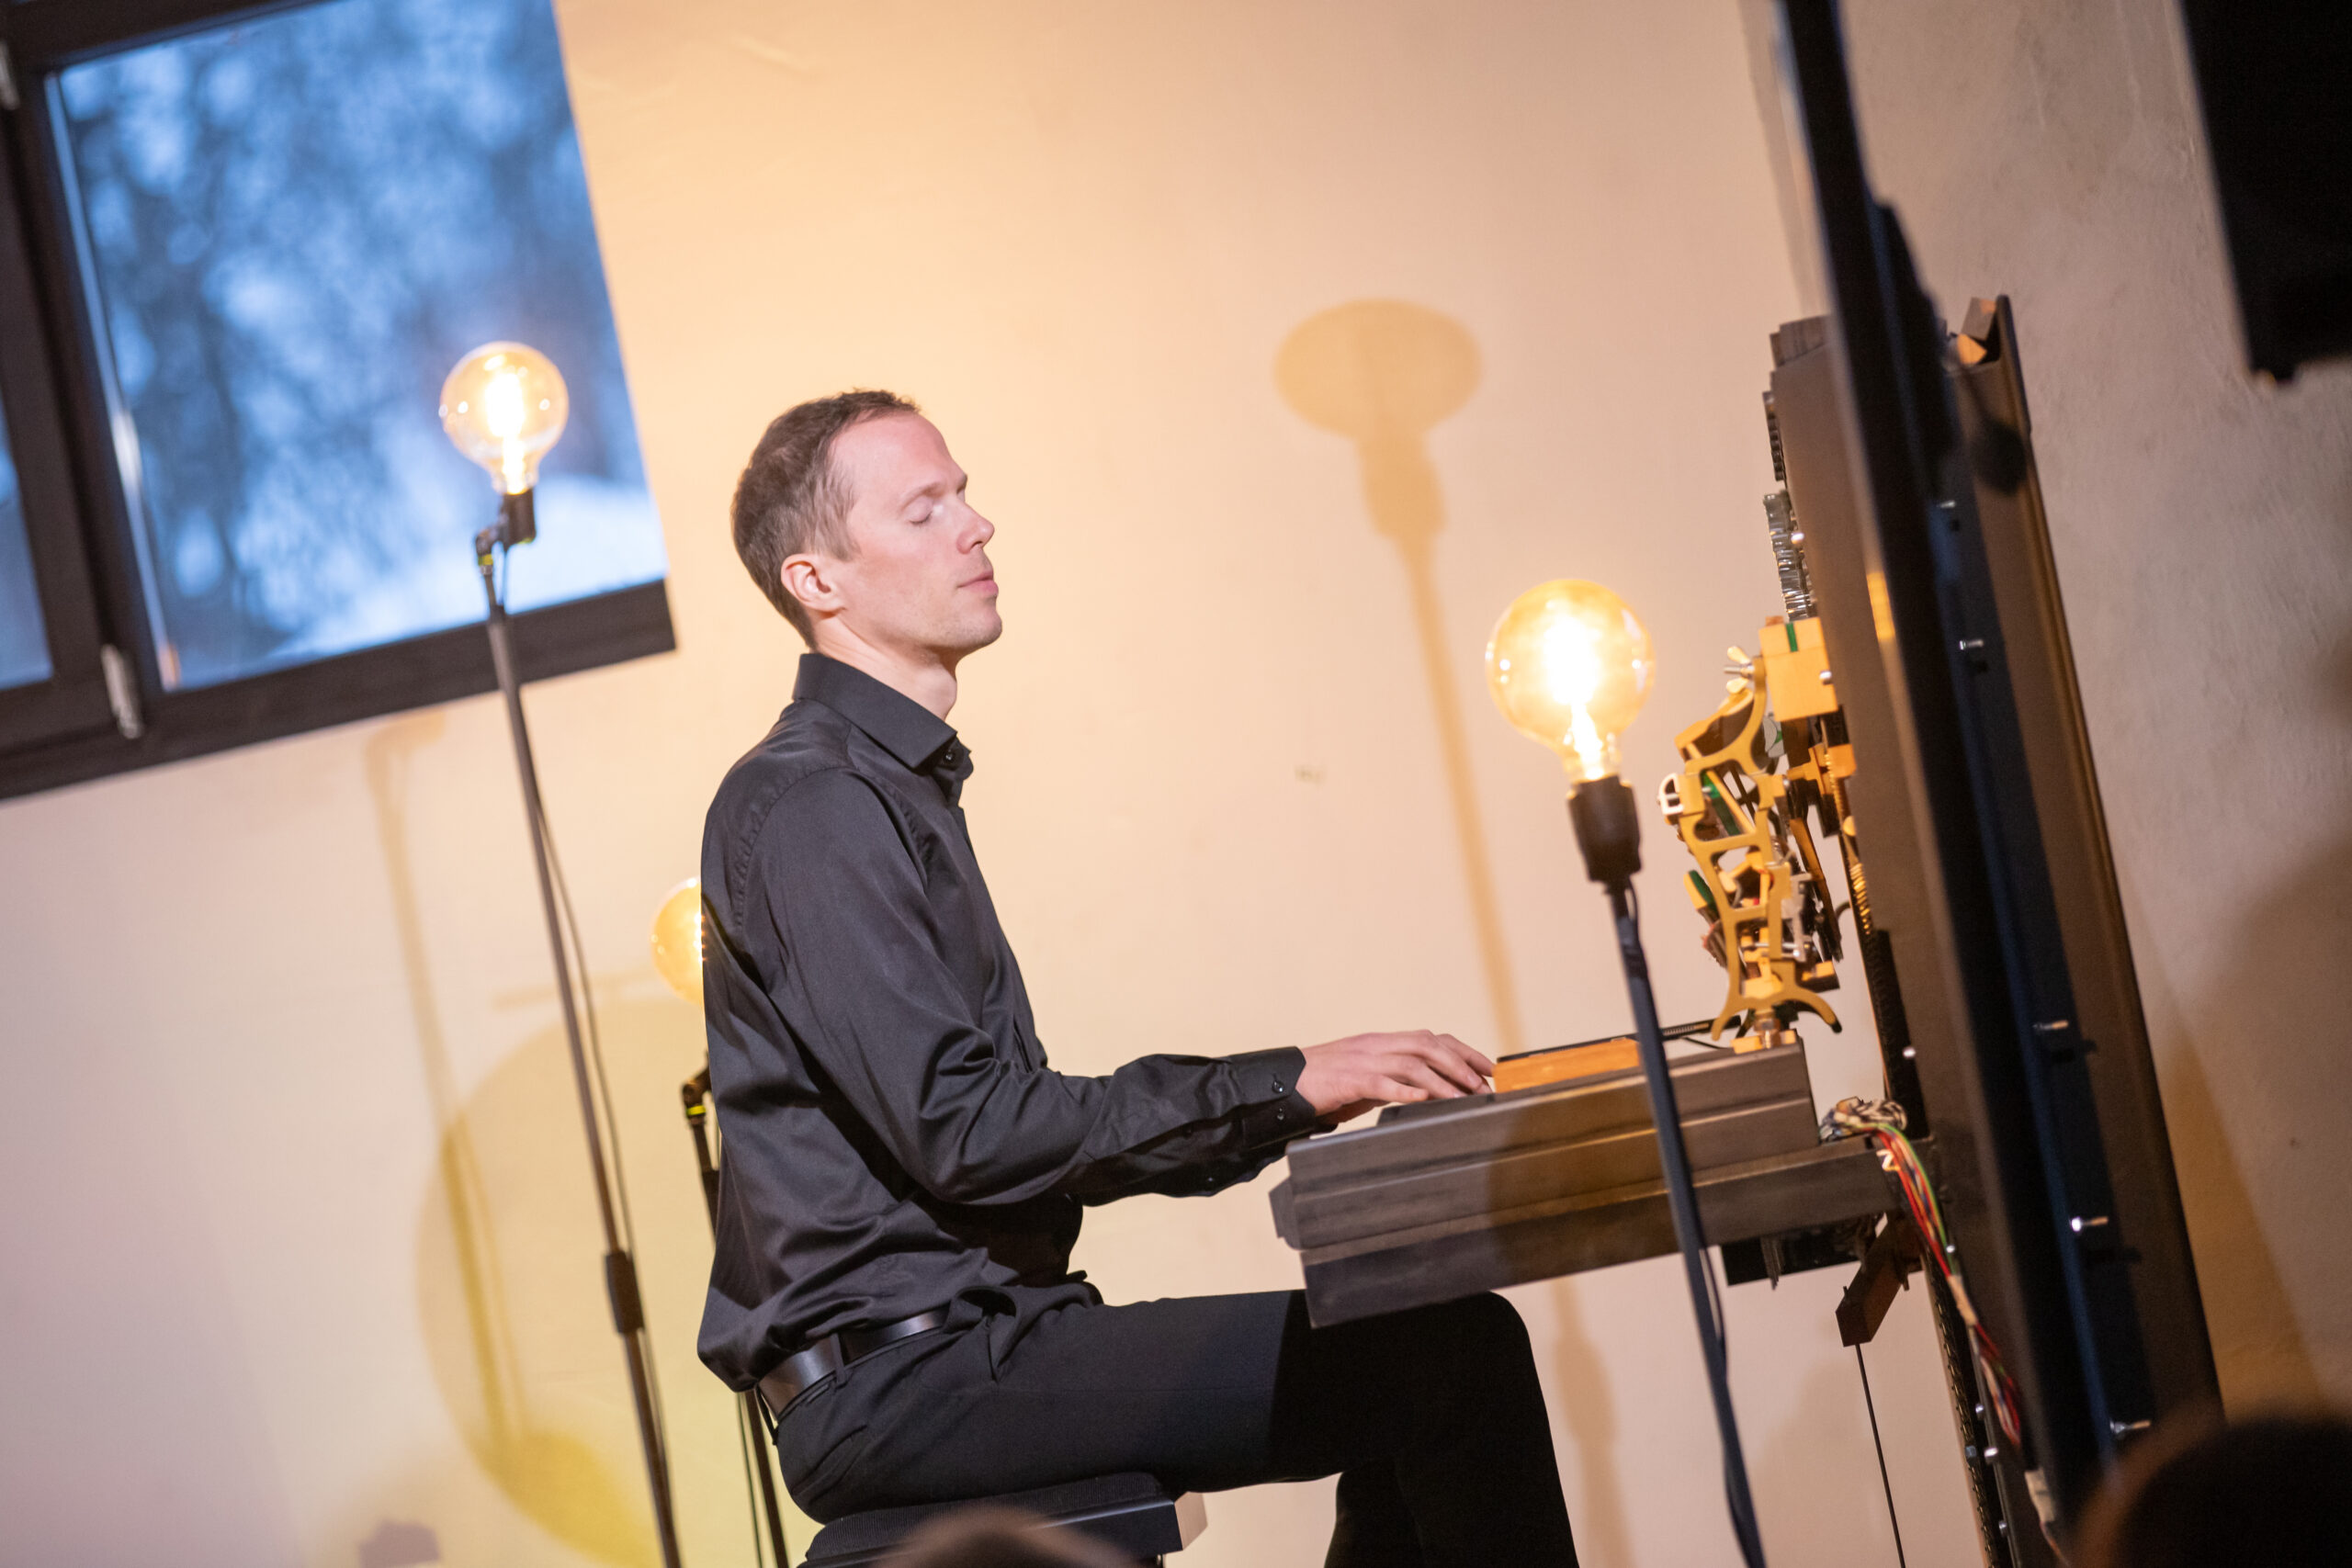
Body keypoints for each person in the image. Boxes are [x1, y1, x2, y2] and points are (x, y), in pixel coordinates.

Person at [696, 389, 1577, 1565]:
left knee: (1426, 1338)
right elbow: (965, 1130)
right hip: (903, 1382)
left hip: (969, 1346)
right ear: (818, 581)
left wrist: (1289, 1095)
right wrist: (1288, 1082)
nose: (976, 526)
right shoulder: (815, 802)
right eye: (923, 511)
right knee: (1452, 1359)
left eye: (963, 495)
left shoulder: (881, 787)